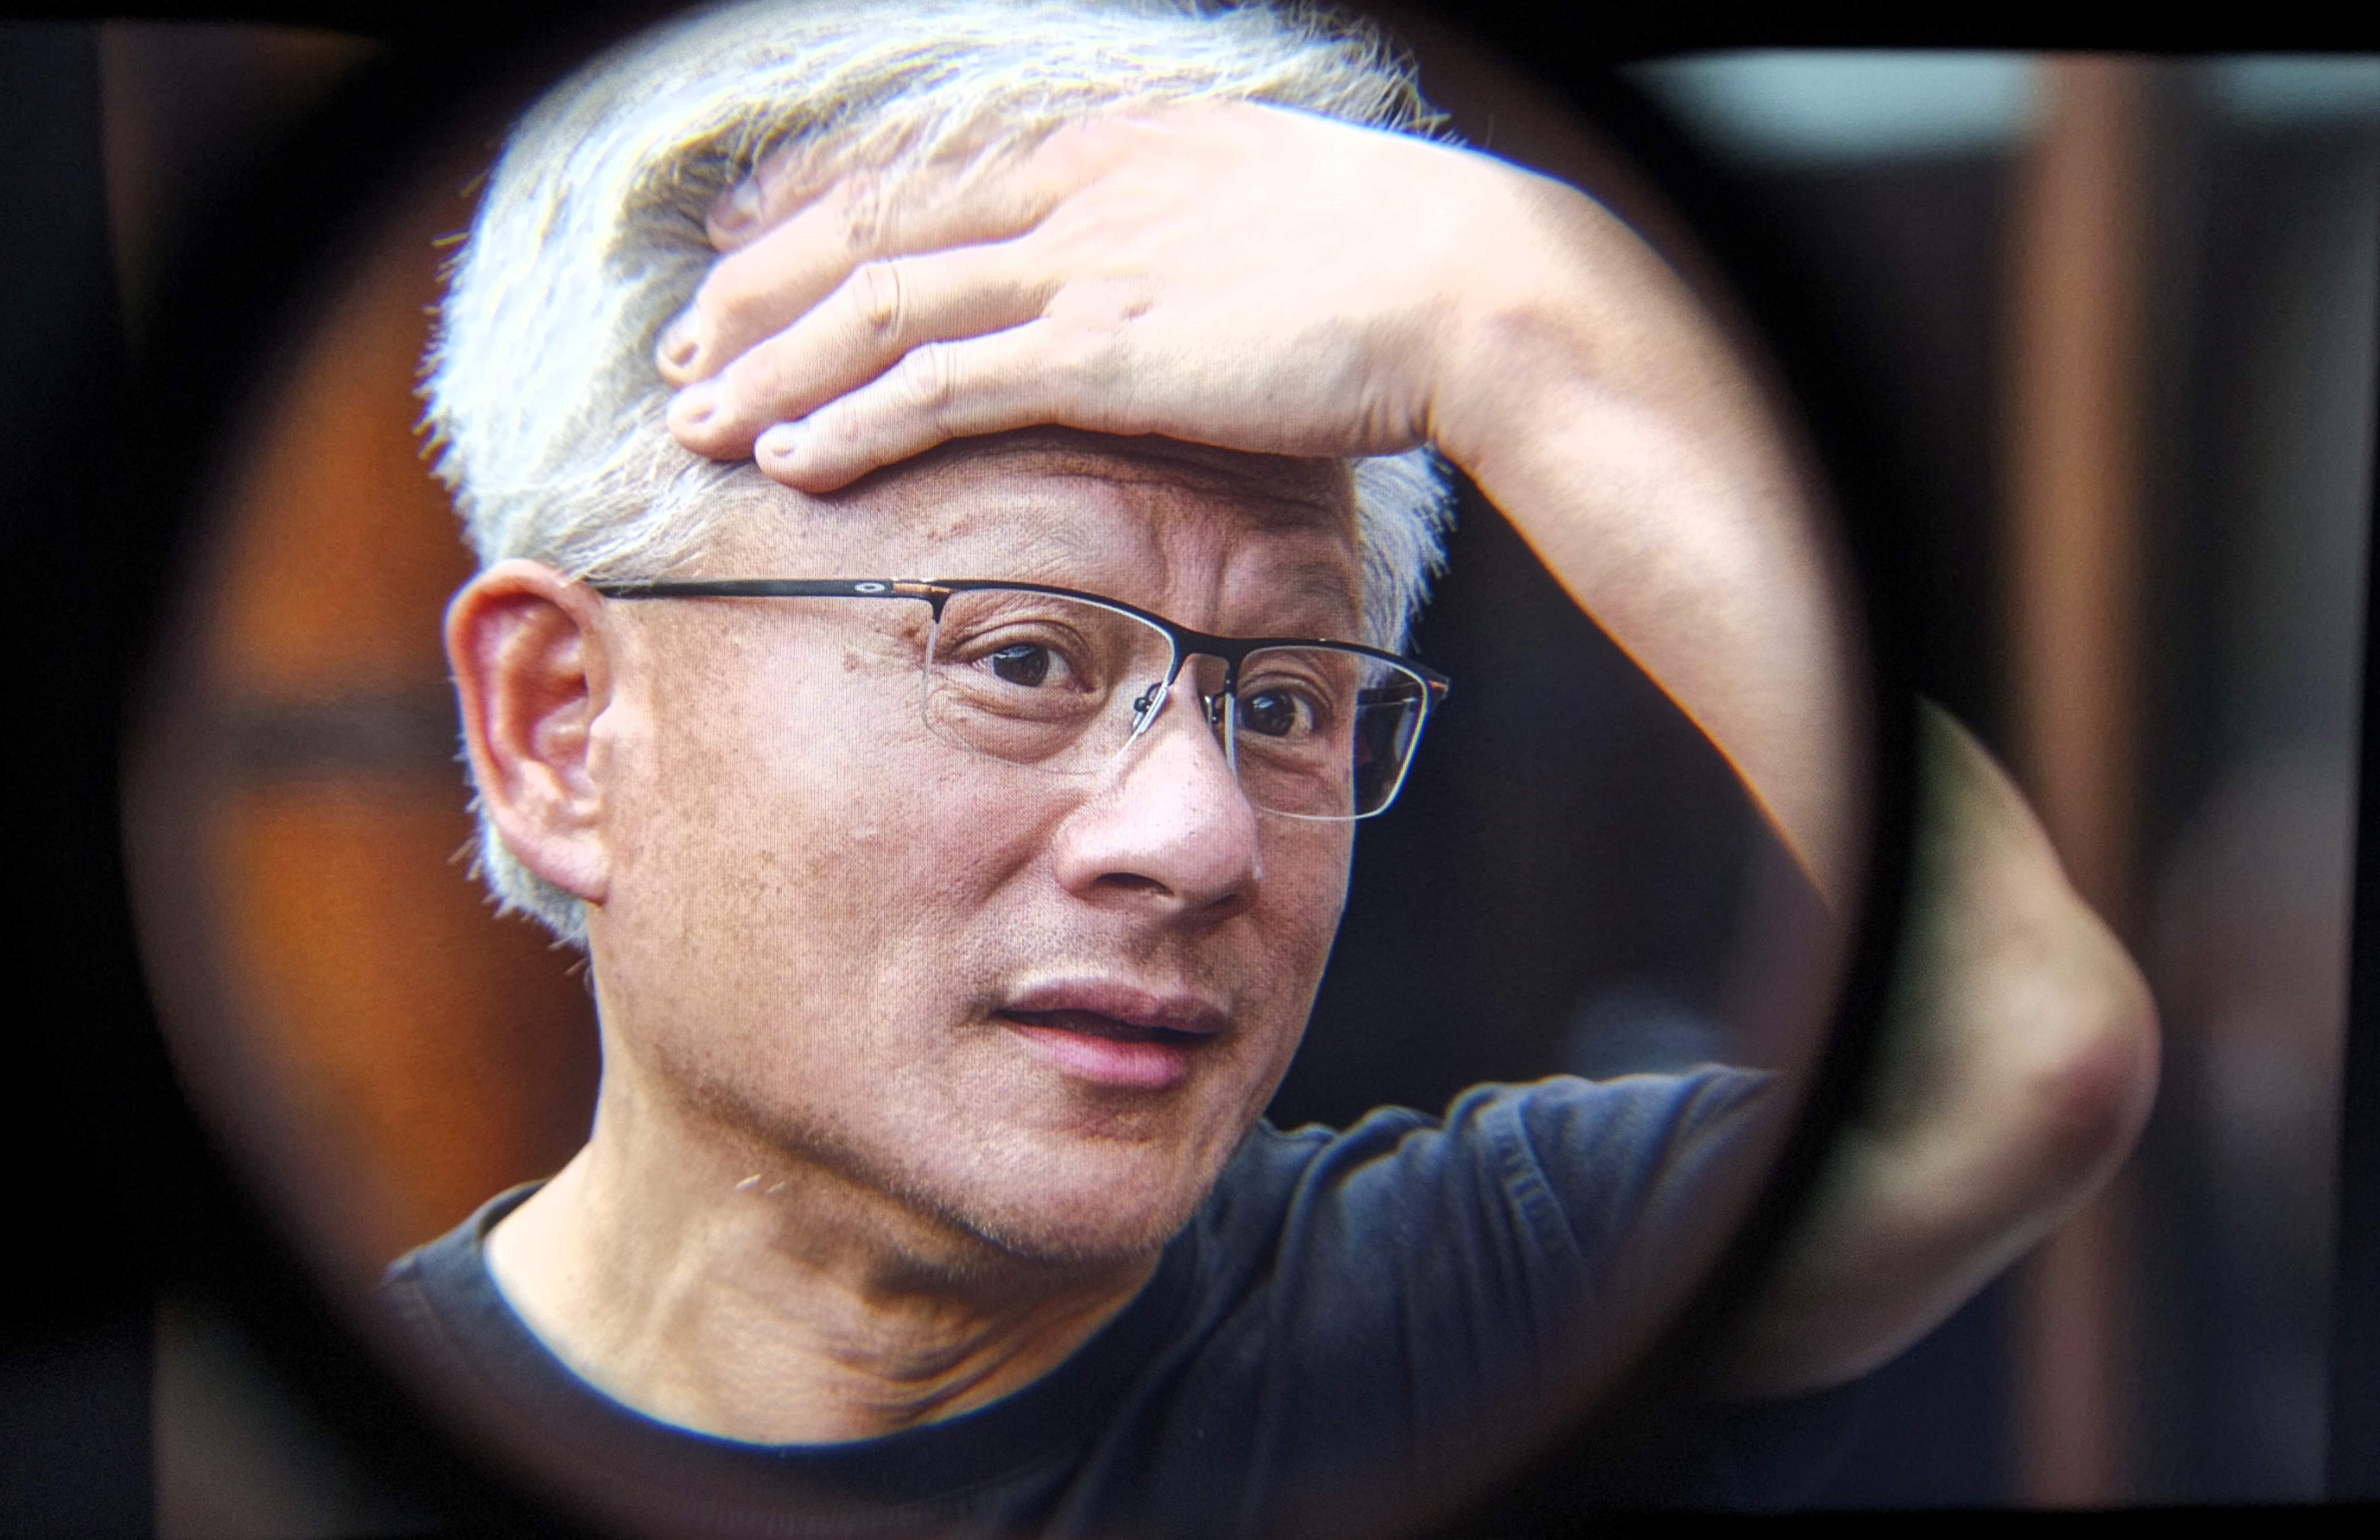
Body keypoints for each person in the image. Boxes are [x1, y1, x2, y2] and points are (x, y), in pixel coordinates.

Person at [381, 1, 2159, 1534]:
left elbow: (2016, 1049)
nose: (1200, 832)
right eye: (1021, 660)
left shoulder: (1468, 1324)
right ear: (563, 729)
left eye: (1289, 700)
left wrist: (1506, 305)